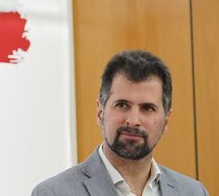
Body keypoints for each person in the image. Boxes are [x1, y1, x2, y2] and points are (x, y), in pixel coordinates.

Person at [32, 50, 208, 196]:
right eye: (122, 105)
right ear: (100, 111)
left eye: (147, 108)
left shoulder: (193, 192)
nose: (133, 121)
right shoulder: (53, 193)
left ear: (166, 120)